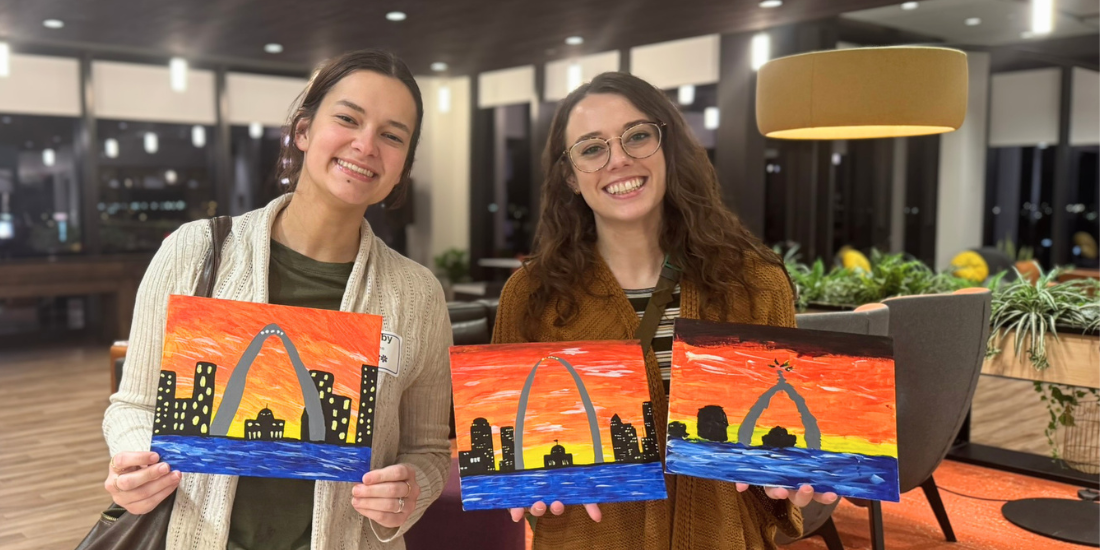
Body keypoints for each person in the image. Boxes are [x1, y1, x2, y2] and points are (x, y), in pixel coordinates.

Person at [101, 49, 452, 550]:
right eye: (348, 119)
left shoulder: (417, 294)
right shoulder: (195, 250)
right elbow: (131, 405)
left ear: (403, 167)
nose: (366, 144)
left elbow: (429, 449)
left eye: (392, 135)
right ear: (303, 131)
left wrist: (409, 491)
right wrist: (136, 464)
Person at [492, 72, 838, 549]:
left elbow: (793, 445)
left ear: (666, 146)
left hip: (722, 535)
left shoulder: (753, 282)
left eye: (637, 136)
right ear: (570, 175)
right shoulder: (531, 295)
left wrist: (805, 478)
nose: (619, 160)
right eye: (592, 149)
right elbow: (514, 444)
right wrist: (525, 483)